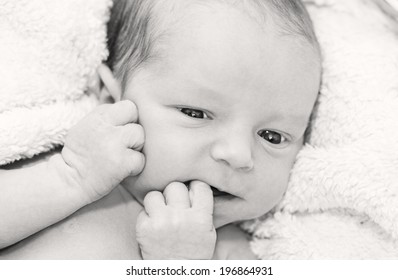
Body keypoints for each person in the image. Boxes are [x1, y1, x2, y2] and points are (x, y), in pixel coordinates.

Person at [0, 0, 321, 259]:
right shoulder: (62, 167)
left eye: (272, 137)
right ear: (111, 98)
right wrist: (68, 178)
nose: (238, 155)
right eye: (196, 113)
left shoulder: (229, 252)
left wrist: (180, 266)